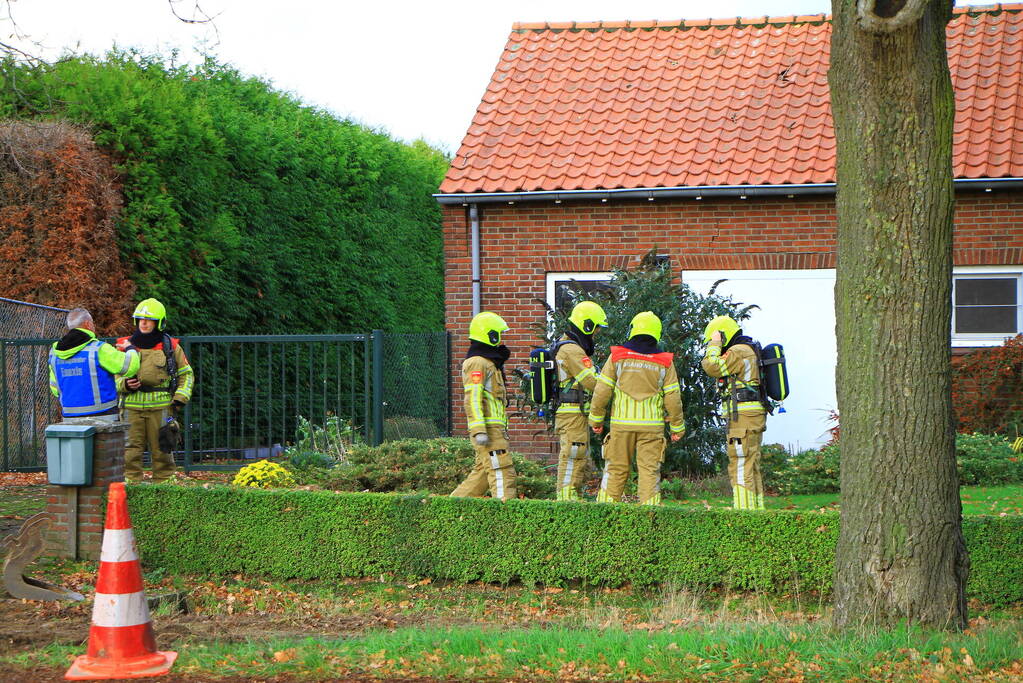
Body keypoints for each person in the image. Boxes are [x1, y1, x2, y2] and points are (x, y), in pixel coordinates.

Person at [588, 311, 685, 505]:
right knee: (649, 472)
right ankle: (650, 519)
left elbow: (602, 390)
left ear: (633, 330)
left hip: (621, 425)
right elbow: (673, 397)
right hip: (651, 427)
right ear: (657, 332)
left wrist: (596, 419)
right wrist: (677, 427)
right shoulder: (665, 362)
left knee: (615, 469)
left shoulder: (617, 356)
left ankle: (604, 517)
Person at [116, 298, 194, 483]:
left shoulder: (171, 347)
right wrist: (124, 385)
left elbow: (187, 374)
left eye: (148, 319)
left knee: (163, 451)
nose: (143, 323)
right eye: (140, 319)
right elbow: (114, 378)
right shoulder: (122, 346)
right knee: (129, 452)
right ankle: (131, 490)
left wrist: (180, 398)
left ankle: (165, 489)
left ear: (158, 322)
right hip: (130, 408)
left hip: (162, 408)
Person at [701, 315, 766, 510]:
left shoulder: (738, 351)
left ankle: (743, 514)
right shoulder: (748, 349)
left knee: (739, 463)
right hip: (751, 415)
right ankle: (757, 511)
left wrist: (714, 344)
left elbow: (711, 366)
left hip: (743, 418)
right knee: (750, 464)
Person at [450, 311, 517, 501]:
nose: (501, 339)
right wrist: (479, 430)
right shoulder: (477, 362)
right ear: (490, 334)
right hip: (488, 430)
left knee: (480, 477)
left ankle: (446, 509)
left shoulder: (489, 362)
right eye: (498, 334)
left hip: (495, 430)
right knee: (502, 472)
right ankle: (506, 518)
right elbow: (473, 398)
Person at [553, 301, 607, 501]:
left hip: (575, 412)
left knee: (579, 456)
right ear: (587, 326)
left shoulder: (569, 346)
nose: (596, 334)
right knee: (573, 454)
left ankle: (573, 497)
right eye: (596, 329)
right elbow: (593, 381)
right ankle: (566, 500)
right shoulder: (572, 350)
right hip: (571, 413)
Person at [48, 308, 140, 422]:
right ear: (88, 324)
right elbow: (131, 366)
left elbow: (55, 389)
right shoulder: (99, 349)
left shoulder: (54, 353)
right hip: (104, 418)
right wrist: (130, 348)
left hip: (70, 419)